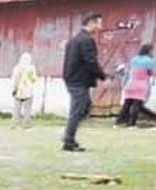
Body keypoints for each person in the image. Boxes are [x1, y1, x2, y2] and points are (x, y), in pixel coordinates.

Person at [62, 13, 106, 152]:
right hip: (78, 80)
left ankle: (69, 136)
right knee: (78, 110)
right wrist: (102, 75)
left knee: (84, 107)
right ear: (91, 23)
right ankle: (68, 141)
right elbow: (90, 61)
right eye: (99, 24)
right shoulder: (86, 40)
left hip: (72, 79)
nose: (100, 27)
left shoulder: (73, 40)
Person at [114, 43, 154, 128]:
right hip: (141, 85)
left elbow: (127, 70)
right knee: (137, 105)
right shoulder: (149, 61)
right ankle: (132, 124)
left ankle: (118, 123)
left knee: (127, 105)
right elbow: (151, 73)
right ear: (149, 51)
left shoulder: (134, 59)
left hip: (130, 83)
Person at [10, 52, 38, 129]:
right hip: (28, 91)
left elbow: (14, 80)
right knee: (27, 110)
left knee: (16, 109)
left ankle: (14, 125)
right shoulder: (31, 68)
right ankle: (26, 125)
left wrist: (14, 89)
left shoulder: (16, 68)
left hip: (18, 91)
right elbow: (34, 80)